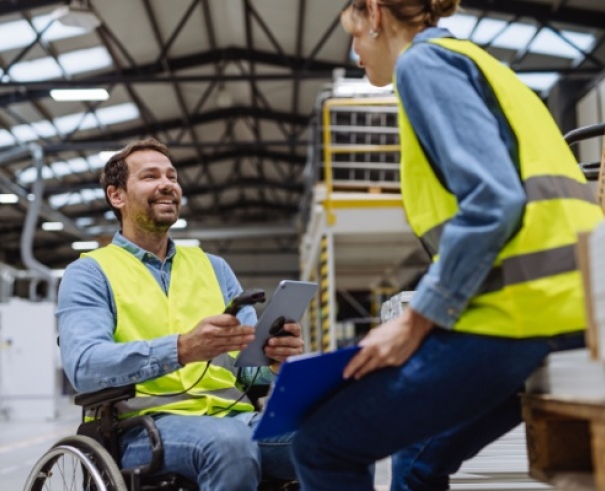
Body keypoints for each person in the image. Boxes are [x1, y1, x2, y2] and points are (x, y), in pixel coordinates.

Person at [290, 1, 604, 490]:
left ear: (375, 13)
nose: (354, 54)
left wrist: (416, 323)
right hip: (575, 311)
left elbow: (492, 200)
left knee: (321, 443)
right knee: (417, 462)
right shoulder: (482, 64)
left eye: (353, 35)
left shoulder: (423, 64)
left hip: (522, 316)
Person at [56, 137, 304, 491]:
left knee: (336, 437)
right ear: (117, 196)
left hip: (236, 418)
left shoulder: (214, 268)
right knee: (230, 446)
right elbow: (84, 366)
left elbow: (250, 374)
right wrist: (182, 349)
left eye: (172, 177)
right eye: (150, 176)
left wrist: (274, 359)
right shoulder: (91, 273)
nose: (167, 184)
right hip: (143, 428)